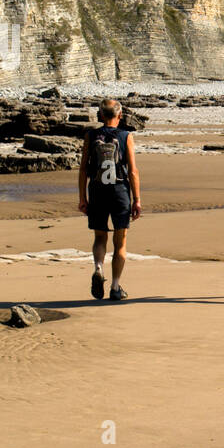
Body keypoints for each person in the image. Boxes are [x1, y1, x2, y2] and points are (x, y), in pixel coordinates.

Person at [78, 99, 141, 301]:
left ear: (101, 116)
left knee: (99, 237)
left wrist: (82, 197)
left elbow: (83, 169)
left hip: (97, 191)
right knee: (120, 241)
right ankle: (115, 287)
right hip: (119, 191)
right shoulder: (126, 136)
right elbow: (133, 171)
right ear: (120, 115)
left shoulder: (91, 135)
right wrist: (137, 199)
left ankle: (98, 267)